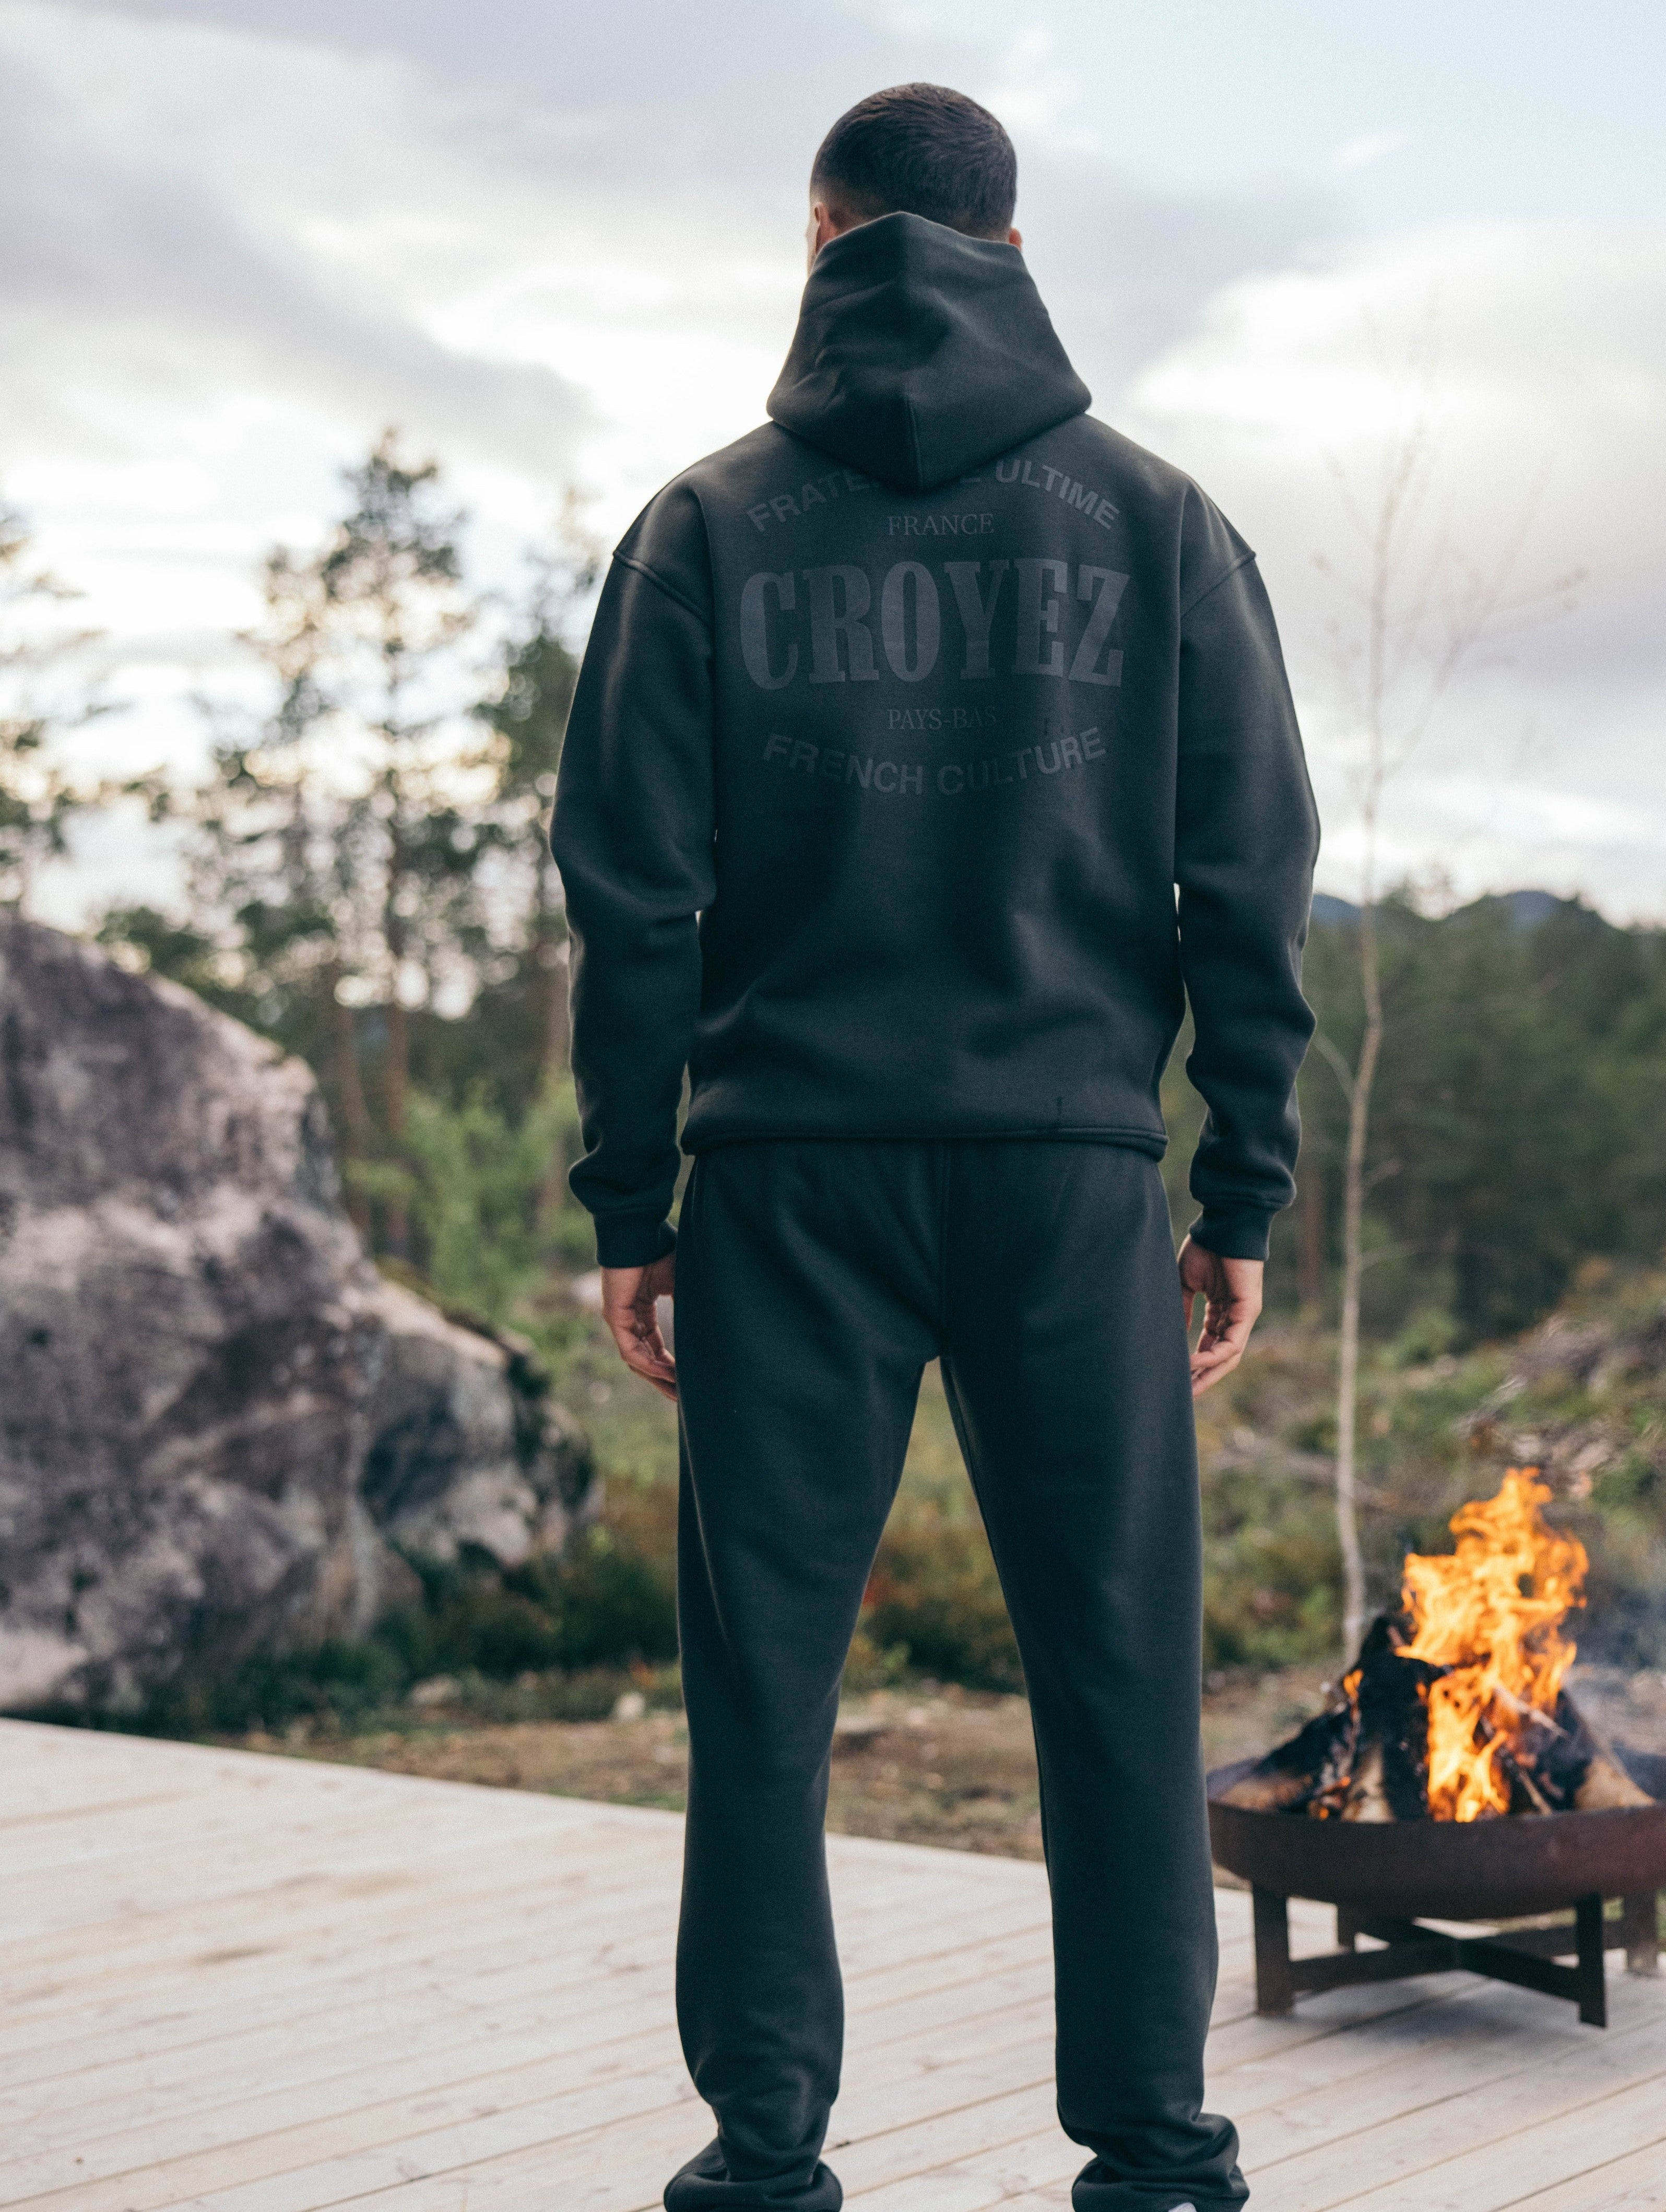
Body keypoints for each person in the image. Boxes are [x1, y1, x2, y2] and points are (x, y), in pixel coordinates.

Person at [552, 80, 1317, 2212]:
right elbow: (1248, 884)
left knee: (767, 1696)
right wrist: (1237, 1183)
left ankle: (767, 2157)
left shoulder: (701, 531)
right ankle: (1157, 2154)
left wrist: (636, 1201)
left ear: (824, 241)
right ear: (1010, 240)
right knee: (1114, 1667)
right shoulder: (1163, 525)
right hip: (1074, 1179)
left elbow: (631, 899)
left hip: (787, 1181)